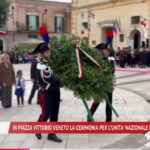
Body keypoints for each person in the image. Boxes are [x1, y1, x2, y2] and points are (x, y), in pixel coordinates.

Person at [33, 42, 62, 142]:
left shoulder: (52, 63)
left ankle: (51, 134)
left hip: (55, 91)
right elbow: (47, 78)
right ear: (41, 54)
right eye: (47, 52)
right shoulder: (40, 65)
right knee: (46, 114)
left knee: (55, 114)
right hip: (46, 93)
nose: (49, 53)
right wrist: (61, 81)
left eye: (49, 51)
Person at [87, 43, 115, 122]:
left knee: (109, 103)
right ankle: (89, 115)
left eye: (107, 50)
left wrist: (104, 72)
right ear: (100, 51)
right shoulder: (97, 60)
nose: (106, 51)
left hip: (109, 84)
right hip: (99, 84)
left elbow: (112, 70)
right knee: (97, 101)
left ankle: (108, 120)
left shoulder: (111, 58)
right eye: (104, 50)